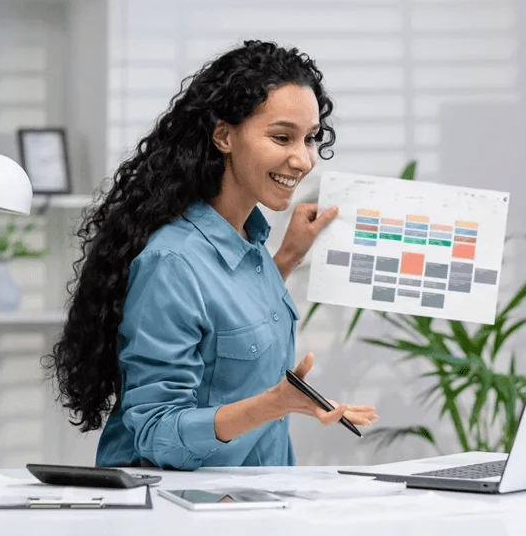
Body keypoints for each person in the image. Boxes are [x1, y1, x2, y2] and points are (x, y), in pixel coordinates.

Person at [44, 40, 379, 470]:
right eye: (282, 137)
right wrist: (276, 403)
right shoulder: (172, 263)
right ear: (224, 136)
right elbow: (156, 433)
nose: (303, 159)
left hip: (254, 497)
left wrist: (288, 258)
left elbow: (229, 338)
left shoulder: (250, 243)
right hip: (180, 511)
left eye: (310, 139)